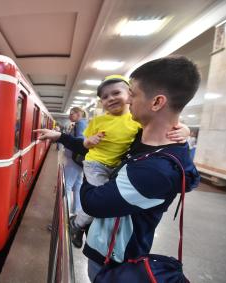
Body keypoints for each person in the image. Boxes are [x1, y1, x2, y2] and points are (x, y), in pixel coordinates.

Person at [35, 55, 201, 282]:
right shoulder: (141, 142)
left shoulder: (156, 171)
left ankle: (77, 225)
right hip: (108, 248)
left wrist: (89, 164)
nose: (128, 101)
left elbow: (93, 202)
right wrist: (62, 137)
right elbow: (99, 149)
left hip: (116, 259)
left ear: (156, 102)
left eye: (133, 94)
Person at [71, 74, 190, 249]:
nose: (110, 99)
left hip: (115, 166)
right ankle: (77, 225)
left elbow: (165, 125)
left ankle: (78, 222)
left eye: (116, 93)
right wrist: (91, 141)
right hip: (95, 164)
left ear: (129, 95)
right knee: (97, 200)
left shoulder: (136, 120)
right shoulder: (98, 120)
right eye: (104, 97)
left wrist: (184, 130)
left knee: (101, 200)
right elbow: (85, 143)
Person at [63, 107, 87, 216]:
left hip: (74, 161)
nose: (69, 116)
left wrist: (66, 140)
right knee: (77, 186)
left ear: (78, 114)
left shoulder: (80, 124)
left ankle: (65, 214)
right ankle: (76, 212)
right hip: (77, 161)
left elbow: (80, 141)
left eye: (71, 114)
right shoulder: (82, 123)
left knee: (67, 186)